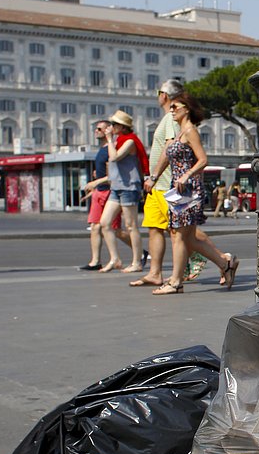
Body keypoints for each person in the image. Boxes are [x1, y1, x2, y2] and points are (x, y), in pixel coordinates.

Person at [149, 91, 239, 295]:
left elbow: (203, 159)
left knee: (179, 236)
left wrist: (186, 175)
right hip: (179, 190)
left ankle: (175, 282)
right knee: (187, 238)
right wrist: (154, 177)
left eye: (175, 107)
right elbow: (166, 155)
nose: (171, 111)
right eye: (170, 107)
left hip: (189, 190)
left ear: (186, 109)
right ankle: (225, 263)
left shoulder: (190, 131)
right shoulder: (179, 132)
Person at [129, 81, 183, 288]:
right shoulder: (166, 118)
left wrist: (153, 175)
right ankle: (155, 273)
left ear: (164, 95)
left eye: (158, 91)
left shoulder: (170, 117)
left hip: (164, 183)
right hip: (157, 185)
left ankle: (223, 260)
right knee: (154, 228)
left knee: (179, 232)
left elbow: (170, 146)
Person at [81, 111, 146, 272]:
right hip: (116, 187)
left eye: (114, 125)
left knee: (131, 226)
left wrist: (110, 140)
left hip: (129, 187)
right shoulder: (118, 141)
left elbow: (114, 157)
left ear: (122, 127)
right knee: (104, 223)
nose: (111, 127)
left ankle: (137, 262)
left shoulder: (130, 141)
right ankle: (115, 258)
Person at [79, 120, 131, 270]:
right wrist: (94, 189)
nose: (96, 131)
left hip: (110, 192)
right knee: (95, 227)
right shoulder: (101, 149)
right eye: (95, 128)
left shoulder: (112, 149)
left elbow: (113, 175)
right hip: (99, 192)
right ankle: (95, 261)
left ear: (109, 130)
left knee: (116, 230)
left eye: (99, 128)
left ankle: (140, 252)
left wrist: (95, 183)